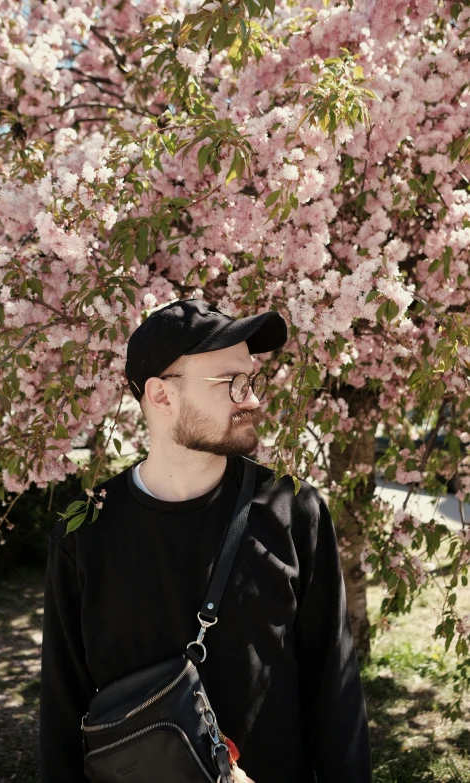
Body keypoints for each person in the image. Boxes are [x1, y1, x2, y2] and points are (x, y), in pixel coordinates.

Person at [39, 298, 372, 783]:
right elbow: (63, 710)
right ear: (160, 396)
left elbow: (336, 697)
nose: (252, 399)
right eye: (229, 383)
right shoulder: (86, 530)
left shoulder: (294, 512)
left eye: (251, 380)